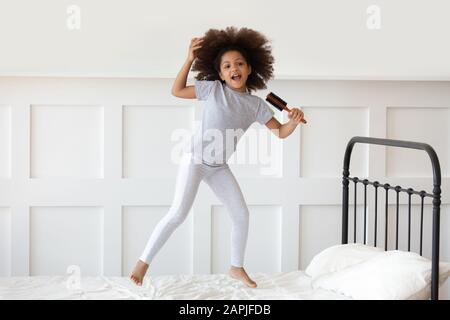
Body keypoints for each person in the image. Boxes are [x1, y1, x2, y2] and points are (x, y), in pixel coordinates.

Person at [130, 26, 306, 288]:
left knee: (241, 214)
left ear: (249, 69)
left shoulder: (256, 105)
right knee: (178, 213)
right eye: (226, 66)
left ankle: (236, 267)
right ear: (220, 73)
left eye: (239, 64)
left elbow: (280, 132)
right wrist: (189, 59)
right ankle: (143, 262)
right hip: (195, 160)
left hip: (219, 167)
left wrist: (292, 121)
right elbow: (177, 91)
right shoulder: (213, 90)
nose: (233, 68)